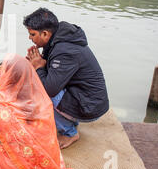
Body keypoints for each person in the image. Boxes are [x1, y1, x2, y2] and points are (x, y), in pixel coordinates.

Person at [24, 8, 109, 149]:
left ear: (45, 33)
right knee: (38, 82)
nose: (30, 38)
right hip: (84, 97)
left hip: (90, 107)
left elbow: (49, 90)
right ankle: (70, 120)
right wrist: (37, 62)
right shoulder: (57, 39)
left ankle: (70, 133)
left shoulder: (65, 50)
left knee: (39, 92)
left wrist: (38, 67)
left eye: (32, 34)